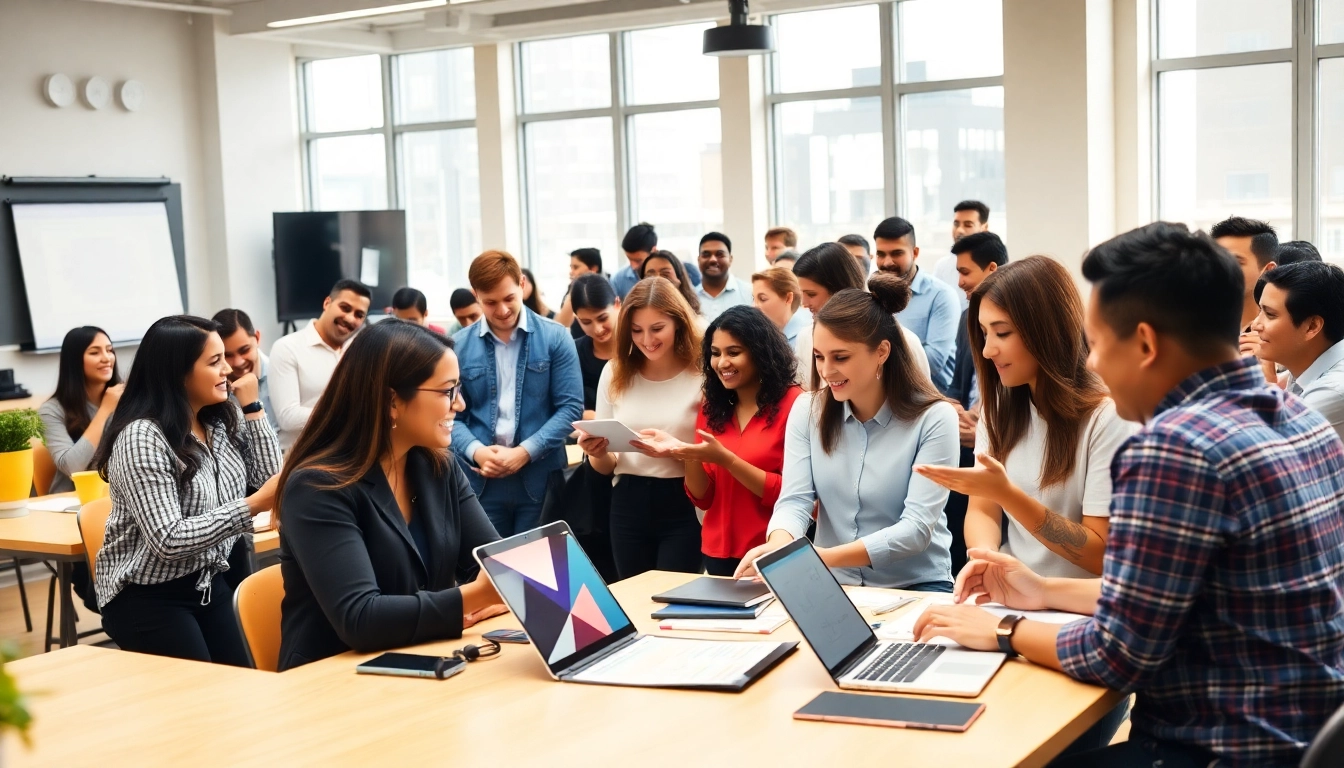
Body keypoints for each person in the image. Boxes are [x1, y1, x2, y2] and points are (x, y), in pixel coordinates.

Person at [913, 222, 1344, 768]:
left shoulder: (1174, 447)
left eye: (1096, 344)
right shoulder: (1298, 419)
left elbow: (1117, 654)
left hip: (1213, 747)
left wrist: (1000, 628)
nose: (1091, 363)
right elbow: (1161, 595)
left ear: (1144, 343)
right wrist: (1042, 591)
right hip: (1300, 734)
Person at [275, 320, 507, 671]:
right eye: (447, 391)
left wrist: (492, 590)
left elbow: (494, 563)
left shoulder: (436, 467)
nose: (458, 405)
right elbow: (360, 618)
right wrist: (474, 597)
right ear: (391, 401)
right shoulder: (317, 487)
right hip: (332, 681)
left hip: (426, 661)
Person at [734, 274, 959, 591]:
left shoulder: (934, 418)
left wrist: (821, 557)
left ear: (881, 351)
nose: (826, 371)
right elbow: (795, 500)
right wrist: (780, 544)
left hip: (914, 584)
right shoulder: (808, 410)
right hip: (834, 583)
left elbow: (916, 530)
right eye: (819, 357)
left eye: (841, 357)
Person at [916, 255, 1134, 580]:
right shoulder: (1000, 406)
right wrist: (987, 562)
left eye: (1002, 333)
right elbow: (982, 510)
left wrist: (1007, 495)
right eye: (983, 333)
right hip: (1011, 593)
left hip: (1076, 609)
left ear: (1046, 331)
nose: (988, 350)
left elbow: (1099, 555)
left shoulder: (1107, 417)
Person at [91, 315, 280, 666]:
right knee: (204, 698)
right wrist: (251, 506)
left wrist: (253, 409)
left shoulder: (219, 417)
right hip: (147, 596)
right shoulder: (142, 437)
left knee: (243, 683)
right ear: (177, 372)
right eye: (215, 361)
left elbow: (272, 479)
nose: (228, 369)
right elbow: (168, 540)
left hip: (208, 580)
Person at [638, 306, 803, 576]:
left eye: (733, 352)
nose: (722, 363)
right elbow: (703, 498)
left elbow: (790, 493)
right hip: (717, 551)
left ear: (760, 352)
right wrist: (687, 454)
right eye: (715, 354)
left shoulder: (795, 403)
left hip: (772, 550)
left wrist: (726, 460)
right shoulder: (712, 408)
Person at [578, 277, 704, 579]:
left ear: (678, 323)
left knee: (675, 601)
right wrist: (596, 451)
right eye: (636, 330)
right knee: (634, 599)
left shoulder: (701, 372)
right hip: (627, 502)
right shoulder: (616, 370)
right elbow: (606, 466)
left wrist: (674, 449)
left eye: (657, 328)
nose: (647, 340)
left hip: (684, 499)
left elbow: (715, 452)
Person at [451, 251, 582, 538]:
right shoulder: (456, 347)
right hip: (479, 479)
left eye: (509, 298)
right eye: (490, 302)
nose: (502, 310)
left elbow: (571, 408)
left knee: (541, 574)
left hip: (541, 476)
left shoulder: (556, 337)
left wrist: (524, 453)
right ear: (476, 295)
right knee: (487, 575)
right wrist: (477, 451)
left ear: (522, 284)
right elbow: (449, 415)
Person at [936, 232, 1007, 574]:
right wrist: (955, 412)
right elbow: (957, 387)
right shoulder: (969, 324)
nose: (989, 349)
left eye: (1002, 333)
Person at [791, 242, 930, 382]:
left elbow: (920, 399)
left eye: (811, 294)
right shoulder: (806, 337)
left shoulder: (903, 341)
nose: (804, 303)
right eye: (819, 356)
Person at [269, 279, 371, 451]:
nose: (350, 318)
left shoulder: (359, 352)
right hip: (303, 462)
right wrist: (346, 416)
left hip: (349, 458)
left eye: (359, 315)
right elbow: (288, 417)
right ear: (327, 303)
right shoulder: (287, 348)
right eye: (345, 308)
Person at [1251, 261, 1344, 439]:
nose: (1255, 325)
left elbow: (1268, 449)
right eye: (1259, 311)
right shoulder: (1307, 365)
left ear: (1312, 326)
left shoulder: (1333, 390)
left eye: (1270, 314)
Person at [873, 216, 959, 393]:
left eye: (897, 253)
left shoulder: (940, 295)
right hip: (884, 396)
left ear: (915, 253)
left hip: (928, 399)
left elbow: (933, 361)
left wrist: (873, 357)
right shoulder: (872, 292)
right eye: (881, 254)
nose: (887, 262)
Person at [39, 326, 124, 494]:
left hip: (117, 499)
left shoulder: (127, 400)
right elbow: (72, 467)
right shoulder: (52, 410)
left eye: (109, 350)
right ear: (75, 361)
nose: (106, 358)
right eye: (94, 353)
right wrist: (105, 410)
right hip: (69, 502)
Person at [212, 309, 279, 434]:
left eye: (244, 350)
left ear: (257, 338)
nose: (238, 362)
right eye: (228, 355)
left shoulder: (280, 373)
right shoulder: (212, 389)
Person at [570, 273, 620, 420]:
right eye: (586, 322)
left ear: (617, 304)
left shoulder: (641, 346)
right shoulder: (573, 353)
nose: (597, 329)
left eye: (602, 318)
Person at [611, 223, 701, 298]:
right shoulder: (618, 279)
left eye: (638, 260)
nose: (633, 266)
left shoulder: (689, 271)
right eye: (629, 259)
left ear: (653, 250)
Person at [752, 266, 811, 377]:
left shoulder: (807, 336)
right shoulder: (762, 338)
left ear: (788, 298)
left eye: (763, 299)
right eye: (753, 299)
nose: (755, 306)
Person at [932, 200, 990, 304]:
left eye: (968, 225)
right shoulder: (942, 266)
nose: (959, 231)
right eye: (956, 224)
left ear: (984, 228)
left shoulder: (995, 263)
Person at [695, 232, 750, 321]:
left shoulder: (749, 294)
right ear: (698, 259)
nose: (712, 259)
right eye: (706, 254)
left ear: (730, 259)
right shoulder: (689, 298)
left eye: (720, 254)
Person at [555, 247, 603, 338]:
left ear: (593, 269)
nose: (571, 272)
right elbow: (561, 325)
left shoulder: (605, 291)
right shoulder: (572, 289)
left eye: (576, 267)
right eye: (571, 267)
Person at [640, 251, 702, 316]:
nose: (658, 280)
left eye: (665, 274)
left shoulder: (695, 319)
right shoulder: (635, 317)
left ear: (679, 279)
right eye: (650, 276)